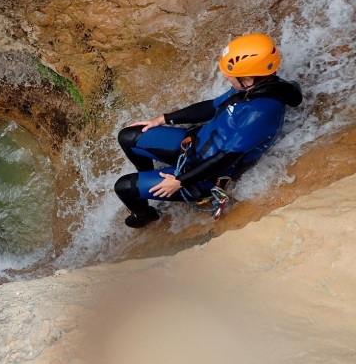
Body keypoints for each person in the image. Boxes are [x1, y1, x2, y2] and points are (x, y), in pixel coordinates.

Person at [114, 33, 303, 228]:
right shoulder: (253, 87)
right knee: (128, 136)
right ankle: (146, 177)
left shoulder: (261, 111)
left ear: (248, 77)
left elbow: (225, 158)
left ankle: (146, 216)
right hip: (196, 145)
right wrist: (162, 119)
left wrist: (179, 181)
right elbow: (212, 107)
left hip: (207, 175)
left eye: (230, 74)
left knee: (125, 187)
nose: (225, 75)